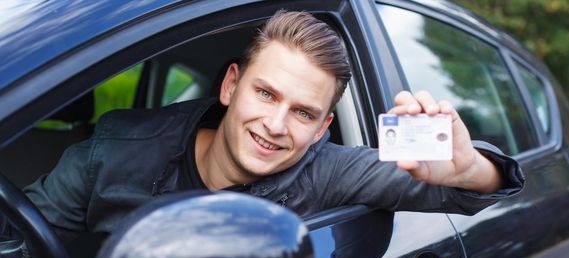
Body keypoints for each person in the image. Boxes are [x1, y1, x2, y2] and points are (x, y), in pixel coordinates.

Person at [23, 10, 523, 245]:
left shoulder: (328, 171)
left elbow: (464, 191)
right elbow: (24, 243)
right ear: (230, 86)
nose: (276, 125)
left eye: (303, 113)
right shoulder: (116, 146)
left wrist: (469, 166)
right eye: (265, 94)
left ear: (323, 128)